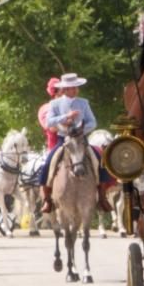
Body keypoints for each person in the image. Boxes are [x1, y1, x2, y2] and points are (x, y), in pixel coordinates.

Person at [38, 73, 108, 212]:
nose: (76, 90)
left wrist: (80, 130)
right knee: (49, 163)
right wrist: (66, 117)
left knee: (99, 160)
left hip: (81, 139)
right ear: (65, 89)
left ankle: (102, 197)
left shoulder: (84, 102)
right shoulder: (54, 104)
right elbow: (49, 122)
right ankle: (47, 199)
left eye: (76, 87)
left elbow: (93, 122)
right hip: (63, 139)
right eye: (72, 87)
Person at [37, 77, 60, 149]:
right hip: (56, 145)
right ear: (56, 93)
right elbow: (52, 127)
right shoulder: (45, 109)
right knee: (51, 157)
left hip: (76, 142)